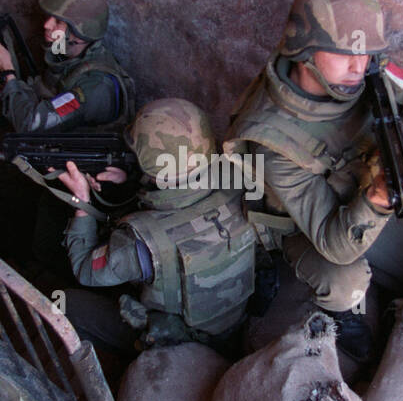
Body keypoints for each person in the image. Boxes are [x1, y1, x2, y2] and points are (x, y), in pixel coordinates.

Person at [224, 0, 403, 360]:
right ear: (303, 54)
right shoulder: (270, 137)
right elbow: (333, 243)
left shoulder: (364, 67)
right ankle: (339, 314)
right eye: (345, 55)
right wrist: (376, 200)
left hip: (355, 188)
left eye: (367, 54)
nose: (359, 67)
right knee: (347, 283)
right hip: (299, 223)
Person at [56, 98, 257, 356]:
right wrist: (132, 180)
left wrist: (81, 204)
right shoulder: (240, 187)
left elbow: (85, 268)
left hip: (176, 340)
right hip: (231, 321)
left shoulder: (139, 241)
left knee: (64, 303)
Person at [0, 0, 134, 132]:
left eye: (58, 22)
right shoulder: (64, 54)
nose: (46, 25)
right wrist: (10, 88)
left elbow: (30, 124)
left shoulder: (97, 88)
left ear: (80, 34)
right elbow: (46, 93)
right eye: (49, 17)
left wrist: (8, 72)